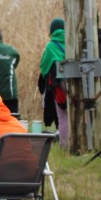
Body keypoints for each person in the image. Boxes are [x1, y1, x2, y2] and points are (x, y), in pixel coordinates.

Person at [39, 18, 68, 148]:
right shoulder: (73, 41)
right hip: (78, 84)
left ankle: (65, 146)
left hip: (60, 86)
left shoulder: (51, 46)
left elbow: (44, 68)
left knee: (63, 116)